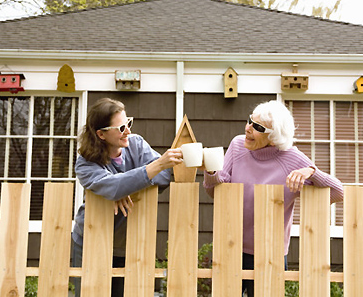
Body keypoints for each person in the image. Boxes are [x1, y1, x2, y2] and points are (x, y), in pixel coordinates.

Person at [202, 100, 343, 297]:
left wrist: (311, 172)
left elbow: (338, 192)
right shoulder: (237, 146)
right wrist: (210, 172)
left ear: (274, 137)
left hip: (270, 252)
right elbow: (216, 191)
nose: (248, 128)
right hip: (231, 245)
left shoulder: (292, 159)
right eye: (250, 121)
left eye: (257, 127)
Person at [72, 98, 182, 297]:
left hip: (128, 243)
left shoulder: (136, 144)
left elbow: (165, 176)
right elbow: (114, 186)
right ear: (101, 134)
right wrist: (154, 167)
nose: (128, 131)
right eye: (121, 127)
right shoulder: (85, 164)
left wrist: (124, 188)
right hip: (90, 241)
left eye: (128, 123)